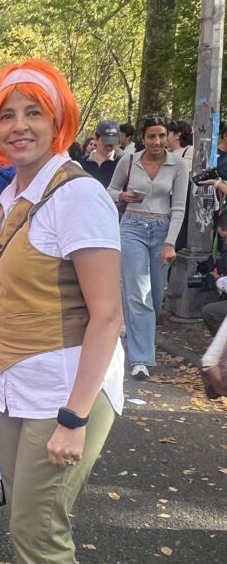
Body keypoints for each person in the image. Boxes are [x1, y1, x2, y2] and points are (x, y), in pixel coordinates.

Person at [0, 59, 124, 564]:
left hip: (66, 395)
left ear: (58, 117)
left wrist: (74, 416)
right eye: (7, 114)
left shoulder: (79, 195)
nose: (19, 125)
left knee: (40, 527)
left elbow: (109, 316)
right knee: (23, 524)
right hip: (16, 390)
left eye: (33, 111)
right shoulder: (14, 194)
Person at [108, 114, 189, 380]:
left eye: (162, 136)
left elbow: (179, 207)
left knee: (154, 297)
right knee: (138, 294)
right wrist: (122, 195)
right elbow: (109, 190)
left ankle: (135, 333)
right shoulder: (128, 160)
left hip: (162, 228)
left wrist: (170, 243)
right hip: (132, 226)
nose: (157, 141)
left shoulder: (177, 165)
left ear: (168, 137)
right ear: (142, 138)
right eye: (152, 136)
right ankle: (140, 359)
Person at [79, 119, 119, 188]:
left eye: (112, 142)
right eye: (106, 141)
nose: (109, 146)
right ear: (96, 138)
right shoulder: (82, 163)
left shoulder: (121, 163)